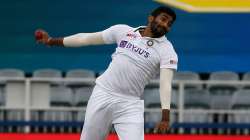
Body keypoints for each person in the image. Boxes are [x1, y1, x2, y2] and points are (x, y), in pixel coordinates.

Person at [35, 6, 178, 140]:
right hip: (103, 94)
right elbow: (85, 39)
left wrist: (165, 117)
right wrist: (51, 41)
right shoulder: (123, 31)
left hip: (130, 103)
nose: (165, 25)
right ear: (151, 18)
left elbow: (165, 84)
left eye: (169, 24)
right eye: (163, 19)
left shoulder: (167, 51)